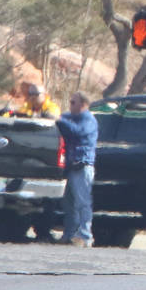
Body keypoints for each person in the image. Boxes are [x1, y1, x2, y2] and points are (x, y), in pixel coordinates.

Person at [55, 92, 98, 248]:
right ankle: (69, 234)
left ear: (83, 104)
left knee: (83, 202)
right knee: (69, 203)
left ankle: (85, 236)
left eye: (73, 102)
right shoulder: (70, 118)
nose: (70, 105)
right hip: (71, 166)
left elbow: (77, 131)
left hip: (82, 165)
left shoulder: (88, 119)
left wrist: (59, 119)